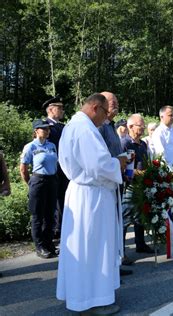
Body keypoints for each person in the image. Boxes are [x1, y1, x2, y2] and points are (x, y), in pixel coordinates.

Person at [56, 93, 127, 314]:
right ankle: (94, 300)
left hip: (83, 194)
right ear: (95, 107)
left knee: (84, 247)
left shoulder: (73, 125)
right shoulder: (85, 129)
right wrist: (120, 162)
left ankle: (81, 295)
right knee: (94, 248)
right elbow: (99, 165)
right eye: (105, 113)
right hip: (91, 197)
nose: (106, 119)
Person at [98, 92, 133, 273]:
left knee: (116, 221)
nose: (116, 105)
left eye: (117, 102)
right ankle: (112, 264)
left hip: (116, 177)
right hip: (106, 180)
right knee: (111, 223)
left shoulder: (111, 125)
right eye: (113, 102)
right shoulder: (101, 127)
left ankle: (117, 259)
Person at [20, 119, 58, 259]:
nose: (47, 131)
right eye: (43, 128)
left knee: (50, 215)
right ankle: (40, 246)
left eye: (48, 128)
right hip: (38, 181)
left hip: (52, 180)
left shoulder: (52, 145)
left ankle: (49, 244)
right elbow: (23, 168)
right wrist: (30, 183)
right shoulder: (30, 147)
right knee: (37, 216)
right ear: (36, 131)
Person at [122, 114, 154, 254]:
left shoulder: (143, 144)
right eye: (140, 125)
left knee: (140, 215)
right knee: (126, 218)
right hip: (129, 186)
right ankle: (120, 251)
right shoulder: (125, 143)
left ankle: (140, 244)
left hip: (142, 184)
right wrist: (136, 173)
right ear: (130, 127)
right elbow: (123, 167)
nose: (143, 128)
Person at [43, 96, 69, 239]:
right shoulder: (45, 126)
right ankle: (52, 231)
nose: (62, 111)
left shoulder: (63, 126)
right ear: (51, 109)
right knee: (51, 201)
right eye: (60, 108)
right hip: (52, 170)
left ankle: (61, 228)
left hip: (64, 169)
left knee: (63, 199)